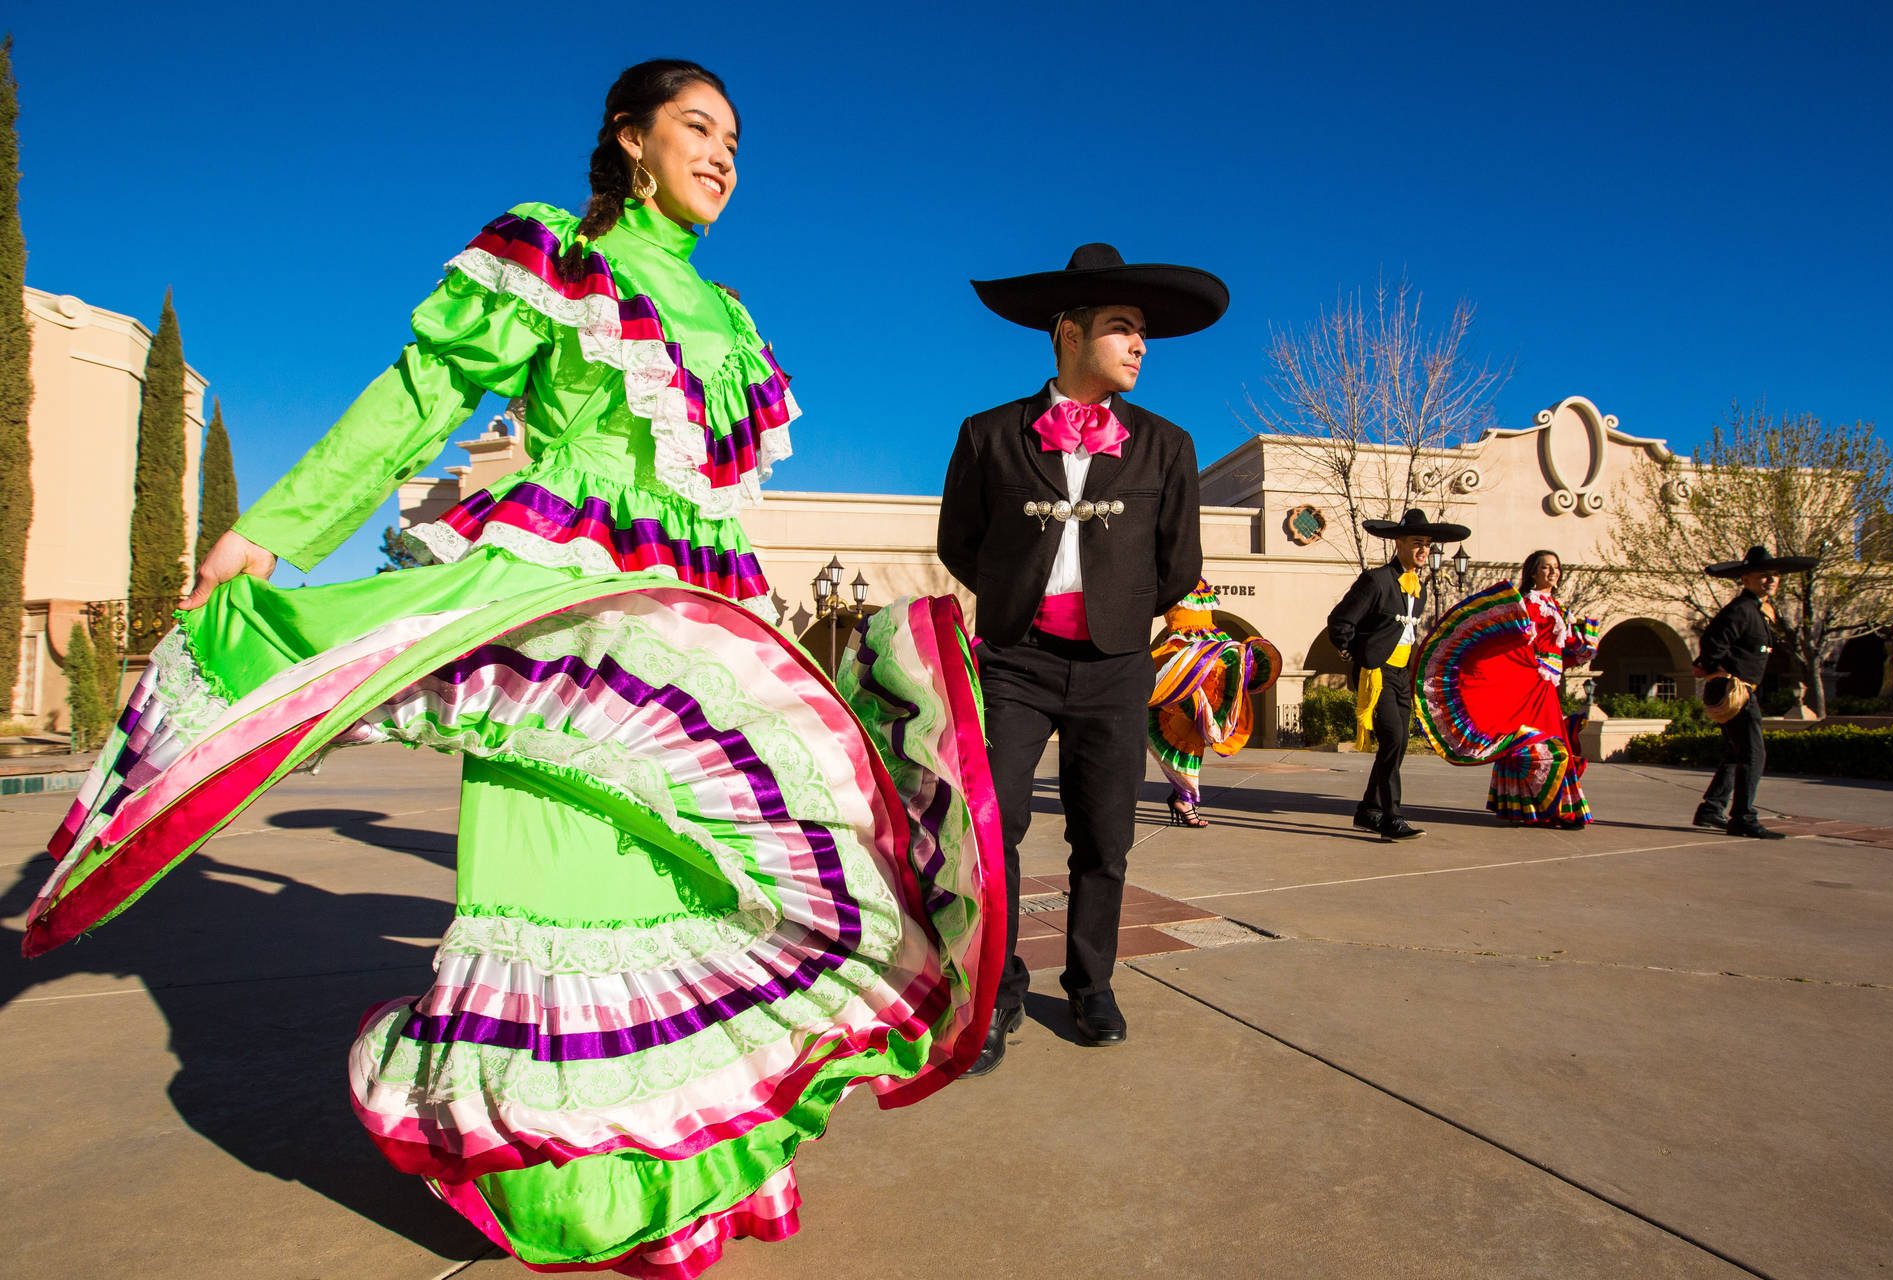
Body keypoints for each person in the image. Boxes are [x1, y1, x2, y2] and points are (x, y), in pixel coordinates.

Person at [25, 60, 1004, 1277]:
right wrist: (275, 527)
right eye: (697, 128)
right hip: (567, 620)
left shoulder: (732, 319)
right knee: (566, 891)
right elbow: (420, 391)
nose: (721, 156)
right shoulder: (558, 254)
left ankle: (686, 1179)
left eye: (737, 142)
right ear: (629, 139)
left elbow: (718, 496)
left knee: (713, 893)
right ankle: (574, 1192)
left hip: (698, 642)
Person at [937, 242, 1222, 1072]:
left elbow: (1178, 563)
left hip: (1115, 665)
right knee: (998, 829)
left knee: (1105, 834)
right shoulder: (988, 435)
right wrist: (1015, 601)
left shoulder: (1166, 445)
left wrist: (1125, 619)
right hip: (1014, 660)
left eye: (1143, 333)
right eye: (1123, 328)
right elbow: (960, 543)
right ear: (1069, 334)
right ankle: (998, 988)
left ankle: (1092, 983)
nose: (1140, 345)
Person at [1414, 549, 1600, 827]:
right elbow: (1518, 641)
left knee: (1541, 741)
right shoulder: (1527, 604)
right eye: (1546, 567)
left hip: (1546, 688)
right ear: (1533, 573)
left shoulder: (1560, 608)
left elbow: (1563, 652)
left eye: (1556, 567)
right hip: (1525, 685)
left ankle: (1531, 807)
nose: (1553, 572)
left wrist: (1584, 640)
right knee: (1533, 743)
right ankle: (1553, 808)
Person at [1326, 508, 1470, 841]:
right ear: (1399, 545)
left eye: (1428, 545)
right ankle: (1391, 815)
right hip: (1377, 674)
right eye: (1417, 543)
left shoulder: (1417, 588)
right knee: (1392, 739)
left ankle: (1368, 810)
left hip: (1401, 675)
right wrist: (1355, 654)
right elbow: (1340, 621)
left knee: (1399, 743)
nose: (1424, 550)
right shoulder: (1376, 580)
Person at [1691, 544, 1815, 839]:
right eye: (1763, 575)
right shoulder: (1742, 609)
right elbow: (1711, 643)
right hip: (1738, 690)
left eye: (1774, 575)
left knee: (1737, 752)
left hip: (1744, 688)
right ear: (1745, 579)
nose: (1770, 580)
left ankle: (1712, 808)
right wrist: (1716, 670)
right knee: (1753, 753)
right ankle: (1743, 817)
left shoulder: (1758, 610)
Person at [1147, 578, 1282, 827]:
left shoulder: (1198, 580)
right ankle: (1183, 796)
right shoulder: (1161, 574)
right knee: (1184, 721)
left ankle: (1182, 796)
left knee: (1197, 729)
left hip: (1212, 652)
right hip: (1184, 654)